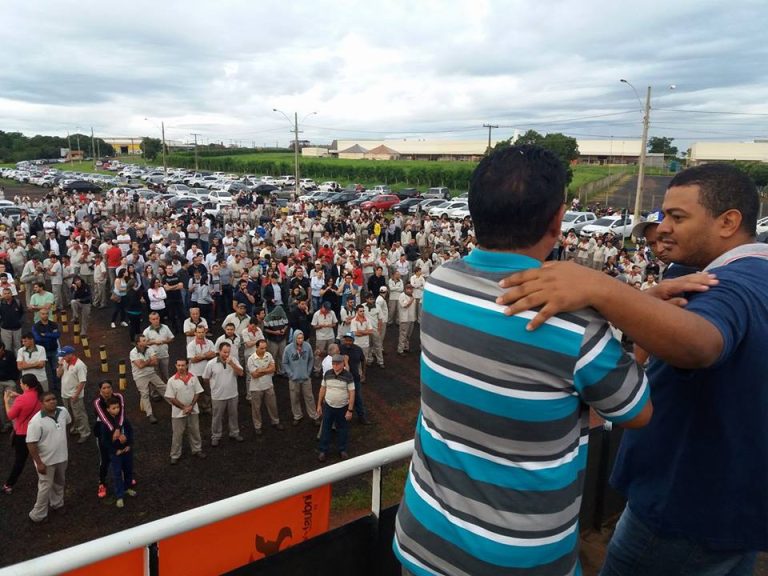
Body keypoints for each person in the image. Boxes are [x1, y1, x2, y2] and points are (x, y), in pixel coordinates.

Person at [498, 162, 767, 576]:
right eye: (663, 217)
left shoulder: (731, 286)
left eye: (678, 217)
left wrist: (601, 288)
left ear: (729, 222)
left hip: (684, 507)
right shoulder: (745, 274)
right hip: (729, 502)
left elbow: (702, 344)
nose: (663, 229)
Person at [394, 145, 651, 576]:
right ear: (557, 220)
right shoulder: (577, 326)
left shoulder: (440, 284)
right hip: (520, 560)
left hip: (423, 540)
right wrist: (630, 306)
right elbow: (638, 412)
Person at [26, 391, 71, 523]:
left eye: (54, 398)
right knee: (45, 487)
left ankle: (57, 504)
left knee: (59, 482)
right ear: (41, 403)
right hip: (46, 461)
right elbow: (31, 443)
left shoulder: (63, 411)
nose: (52, 401)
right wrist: (38, 463)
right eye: (48, 400)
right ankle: (37, 515)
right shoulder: (36, 422)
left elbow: (66, 426)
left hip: (62, 457)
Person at [2, 374, 44, 494]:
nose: (20, 385)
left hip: (23, 434)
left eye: (21, 383)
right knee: (41, 456)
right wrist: (19, 395)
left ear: (26, 385)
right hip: (38, 431)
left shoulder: (22, 399)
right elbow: (32, 402)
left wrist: (6, 401)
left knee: (20, 461)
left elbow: (10, 415)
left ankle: (8, 485)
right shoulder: (39, 394)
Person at [165, 358, 206, 464]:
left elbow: (198, 392)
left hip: (193, 410)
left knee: (195, 431)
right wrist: (184, 408)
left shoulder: (193, 377)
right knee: (177, 434)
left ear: (187, 365)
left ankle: (197, 449)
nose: (181, 367)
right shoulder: (171, 380)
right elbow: (171, 398)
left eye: (183, 365)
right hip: (178, 413)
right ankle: (175, 455)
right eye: (178, 365)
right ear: (175, 366)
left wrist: (191, 406)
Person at [203, 342, 244, 446]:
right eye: (224, 352)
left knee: (234, 415)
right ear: (219, 351)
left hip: (233, 394)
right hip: (218, 396)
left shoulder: (233, 360)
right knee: (217, 416)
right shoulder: (211, 363)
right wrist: (212, 391)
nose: (227, 354)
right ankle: (216, 435)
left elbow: (241, 373)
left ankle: (234, 433)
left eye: (228, 352)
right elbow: (206, 378)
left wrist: (232, 364)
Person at [316, 354, 355, 463]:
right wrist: (319, 404)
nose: (335, 366)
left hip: (343, 407)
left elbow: (352, 393)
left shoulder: (348, 376)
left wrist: (350, 410)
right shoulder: (327, 374)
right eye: (333, 363)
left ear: (343, 364)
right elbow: (322, 389)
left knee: (342, 429)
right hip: (328, 406)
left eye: (337, 364)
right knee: (326, 429)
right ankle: (323, 450)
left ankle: (342, 449)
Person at [99, 397, 136, 509]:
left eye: (118, 407)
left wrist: (129, 444)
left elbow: (130, 431)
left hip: (126, 451)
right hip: (116, 454)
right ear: (108, 410)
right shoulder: (105, 424)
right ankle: (119, 495)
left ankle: (127, 487)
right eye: (113, 408)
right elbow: (104, 441)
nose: (117, 410)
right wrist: (115, 450)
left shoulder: (123, 420)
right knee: (117, 474)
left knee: (128, 470)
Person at [92, 381, 126, 499]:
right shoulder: (97, 402)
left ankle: (125, 479)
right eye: (104, 388)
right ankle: (102, 483)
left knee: (123, 454)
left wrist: (118, 429)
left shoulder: (119, 396)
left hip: (119, 430)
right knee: (105, 459)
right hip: (103, 433)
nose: (107, 390)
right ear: (100, 390)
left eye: (109, 387)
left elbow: (122, 414)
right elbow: (104, 418)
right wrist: (115, 430)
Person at [246, 339, 284, 435]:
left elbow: (273, 369)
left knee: (273, 405)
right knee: (256, 409)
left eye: (265, 348)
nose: (264, 350)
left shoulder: (269, 355)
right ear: (256, 347)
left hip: (268, 386)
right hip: (256, 388)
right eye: (261, 348)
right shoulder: (251, 359)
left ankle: (275, 421)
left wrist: (261, 370)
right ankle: (257, 426)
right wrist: (267, 370)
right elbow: (254, 375)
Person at [282, 330, 319, 427]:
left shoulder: (307, 346)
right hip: (293, 379)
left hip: (306, 378)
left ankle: (314, 416)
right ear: (294, 338)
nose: (300, 340)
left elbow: (311, 359)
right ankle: (297, 416)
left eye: (302, 338)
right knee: (294, 398)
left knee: (309, 397)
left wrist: (308, 371)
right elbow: (285, 363)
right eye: (298, 338)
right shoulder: (288, 349)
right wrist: (290, 374)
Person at [129, 335, 167, 424]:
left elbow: (155, 362)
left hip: (151, 373)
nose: (146, 341)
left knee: (163, 387)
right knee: (145, 394)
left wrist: (145, 362)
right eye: (144, 340)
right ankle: (150, 414)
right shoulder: (133, 352)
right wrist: (149, 360)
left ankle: (174, 404)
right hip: (140, 376)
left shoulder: (149, 349)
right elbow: (140, 366)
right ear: (138, 343)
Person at [56, 346, 90, 444]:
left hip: (74, 395)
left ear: (70, 354)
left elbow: (82, 382)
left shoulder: (80, 365)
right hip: (65, 394)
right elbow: (58, 375)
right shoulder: (64, 362)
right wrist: (60, 365)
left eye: (63, 355)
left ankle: (85, 433)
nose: (62, 357)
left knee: (79, 414)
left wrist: (76, 395)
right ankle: (76, 428)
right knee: (71, 413)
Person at [186, 324, 216, 414]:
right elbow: (193, 360)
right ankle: (196, 408)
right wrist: (206, 355)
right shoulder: (191, 345)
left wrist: (200, 356)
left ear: (205, 332)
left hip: (208, 372)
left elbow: (214, 355)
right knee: (195, 392)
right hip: (195, 372)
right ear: (195, 333)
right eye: (198, 332)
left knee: (208, 390)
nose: (201, 334)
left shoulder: (210, 342)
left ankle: (206, 406)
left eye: (202, 332)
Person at [32, 309, 59, 393]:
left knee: (55, 369)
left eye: (47, 314)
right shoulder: (36, 326)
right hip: (42, 352)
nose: (45, 315)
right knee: (42, 370)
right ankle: (44, 388)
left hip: (53, 350)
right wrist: (51, 336)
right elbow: (37, 339)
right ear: (40, 315)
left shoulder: (54, 324)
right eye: (43, 314)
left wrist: (46, 334)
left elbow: (57, 335)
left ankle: (56, 386)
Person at [143, 311, 174, 383]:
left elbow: (171, 338)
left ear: (159, 318)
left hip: (164, 355)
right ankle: (156, 392)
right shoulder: (146, 331)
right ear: (150, 320)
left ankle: (168, 389)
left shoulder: (165, 327)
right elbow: (143, 344)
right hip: (153, 357)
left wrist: (163, 341)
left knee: (166, 374)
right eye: (153, 319)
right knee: (156, 376)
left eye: (157, 318)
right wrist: (153, 342)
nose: (156, 320)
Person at [310, 301, 337, 375]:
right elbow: (314, 326)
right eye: (326, 309)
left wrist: (330, 325)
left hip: (330, 336)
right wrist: (321, 326)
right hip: (320, 337)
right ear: (322, 307)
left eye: (328, 309)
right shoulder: (316, 314)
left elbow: (335, 323)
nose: (327, 311)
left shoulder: (332, 313)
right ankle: (317, 369)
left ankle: (331, 368)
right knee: (319, 353)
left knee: (332, 353)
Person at [0, 341, 20, 432]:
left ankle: (15, 424)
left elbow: (15, 368)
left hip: (9, 382)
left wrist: (14, 379)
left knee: (12, 403)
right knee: (1, 405)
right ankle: (6, 424)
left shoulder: (10, 355)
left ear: (2, 348)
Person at [0, 287, 24, 352]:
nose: (7, 295)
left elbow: (22, 313)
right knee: (7, 348)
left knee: (18, 347)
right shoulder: (0, 303)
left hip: (17, 329)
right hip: (5, 329)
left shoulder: (17, 302)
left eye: (8, 293)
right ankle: (9, 362)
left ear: (11, 293)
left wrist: (20, 322)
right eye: (5, 293)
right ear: (2, 295)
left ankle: (18, 361)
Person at [396, 283, 416, 355]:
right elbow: (405, 305)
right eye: (410, 289)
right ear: (406, 289)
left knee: (408, 335)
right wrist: (411, 300)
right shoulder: (402, 296)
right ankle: (400, 350)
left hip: (411, 318)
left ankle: (406, 347)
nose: (411, 290)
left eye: (412, 289)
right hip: (405, 319)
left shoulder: (412, 296)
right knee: (403, 335)